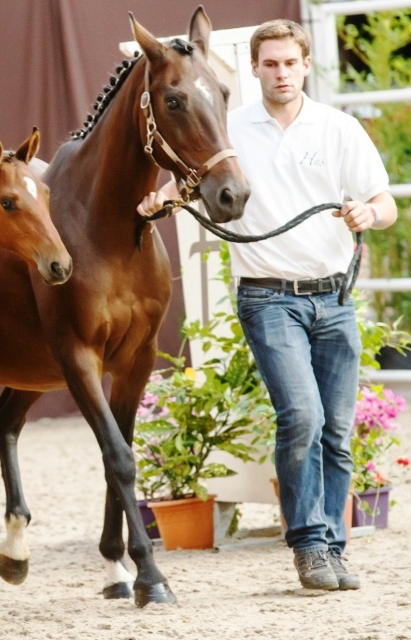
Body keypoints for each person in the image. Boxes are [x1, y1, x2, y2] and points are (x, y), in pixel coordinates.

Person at [138, 19, 397, 591]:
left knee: (336, 427)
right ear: (253, 68)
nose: (281, 72)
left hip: (335, 298)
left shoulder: (338, 128)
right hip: (268, 298)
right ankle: (308, 545)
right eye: (270, 63)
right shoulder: (230, 129)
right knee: (301, 415)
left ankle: (333, 546)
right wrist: (164, 199)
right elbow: (195, 179)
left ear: (306, 65)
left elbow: (385, 203)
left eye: (290, 62)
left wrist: (369, 214)